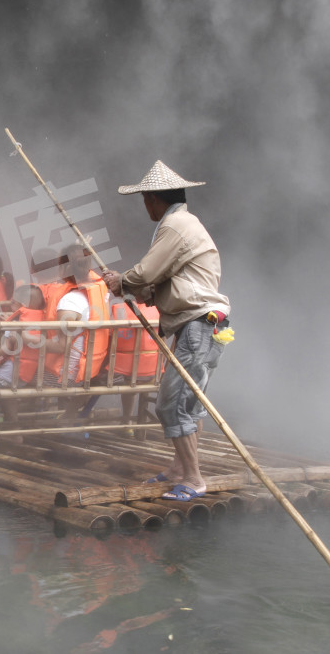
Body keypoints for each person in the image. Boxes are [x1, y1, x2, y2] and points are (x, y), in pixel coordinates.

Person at [102, 160, 231, 502]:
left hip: (198, 325)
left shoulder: (175, 225)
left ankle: (193, 477)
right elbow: (159, 281)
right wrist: (130, 287)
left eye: (146, 199)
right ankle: (179, 468)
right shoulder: (184, 224)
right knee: (187, 401)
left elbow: (145, 274)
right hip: (201, 325)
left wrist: (123, 281)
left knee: (172, 403)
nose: (145, 206)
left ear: (155, 199)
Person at [33, 243, 111, 386]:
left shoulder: (69, 301)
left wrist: (26, 341)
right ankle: (72, 409)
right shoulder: (102, 292)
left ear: (65, 269)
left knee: (26, 375)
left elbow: (61, 346)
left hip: (68, 375)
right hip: (92, 369)